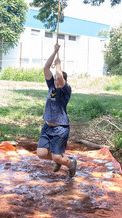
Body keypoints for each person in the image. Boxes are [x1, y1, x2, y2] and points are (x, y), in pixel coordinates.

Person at [37, 44, 77, 178]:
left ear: (64, 81)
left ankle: (71, 163)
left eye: (58, 80)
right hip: (47, 127)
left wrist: (58, 64)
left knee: (56, 157)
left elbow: (59, 75)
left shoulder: (66, 91)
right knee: (41, 154)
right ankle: (59, 159)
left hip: (60, 128)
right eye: (54, 79)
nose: (56, 81)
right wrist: (54, 52)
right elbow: (46, 68)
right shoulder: (51, 87)